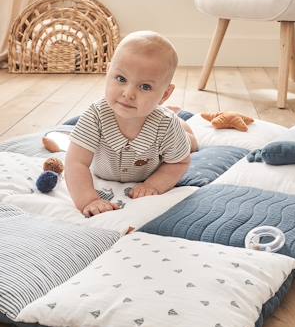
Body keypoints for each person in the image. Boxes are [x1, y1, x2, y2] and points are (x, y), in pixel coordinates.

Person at [65, 31, 197, 217]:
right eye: (121, 79)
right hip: (105, 169)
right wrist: (88, 200)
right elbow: (75, 162)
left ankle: (183, 123)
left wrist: (153, 185)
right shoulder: (95, 116)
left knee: (189, 143)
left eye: (145, 87)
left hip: (166, 131)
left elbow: (179, 163)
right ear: (108, 72)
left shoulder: (166, 125)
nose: (128, 93)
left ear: (165, 94)